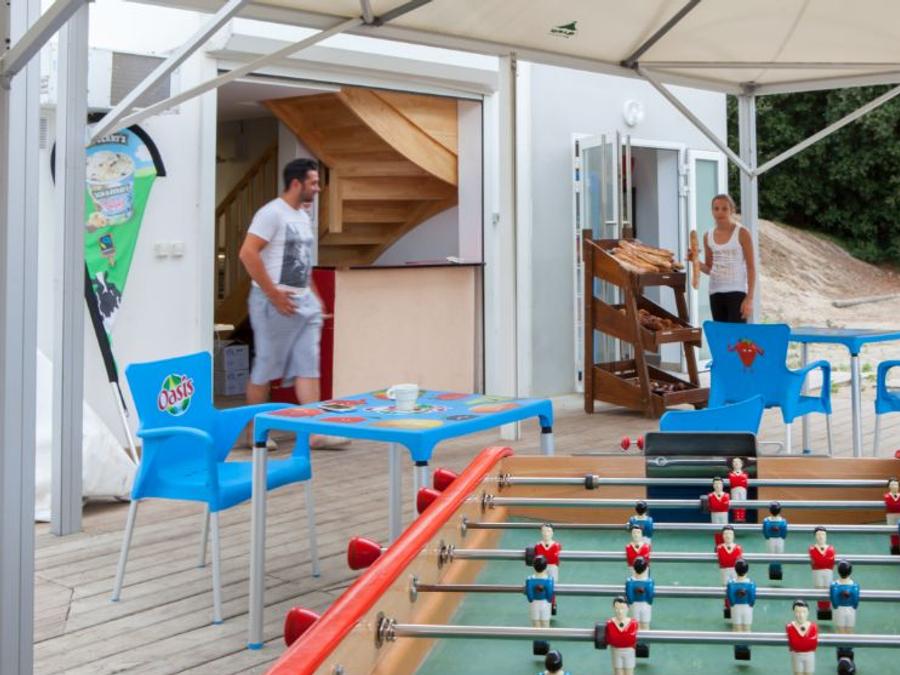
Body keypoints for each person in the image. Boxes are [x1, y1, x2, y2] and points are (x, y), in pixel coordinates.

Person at [239, 158, 347, 449]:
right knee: (265, 366)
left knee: (308, 366)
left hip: (302, 303)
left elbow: (303, 261)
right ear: (296, 183)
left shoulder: (302, 216)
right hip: (272, 303)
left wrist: (315, 296)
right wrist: (273, 294)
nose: (318, 188)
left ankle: (315, 432)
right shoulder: (271, 213)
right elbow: (248, 253)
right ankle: (254, 432)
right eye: (314, 182)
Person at [687, 193, 756, 322]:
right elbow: (709, 268)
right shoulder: (707, 236)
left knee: (737, 334)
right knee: (720, 334)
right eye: (716, 208)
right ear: (712, 211)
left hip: (737, 291)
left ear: (732, 210)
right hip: (715, 292)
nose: (720, 212)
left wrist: (749, 298)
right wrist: (694, 260)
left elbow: (751, 268)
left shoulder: (742, 233)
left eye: (724, 208)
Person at [604, 596, 638, 675]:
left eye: (623, 608)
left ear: (628, 608)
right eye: (617, 608)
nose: (620, 611)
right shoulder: (609, 623)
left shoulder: (633, 623)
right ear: (613, 608)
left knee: (629, 672)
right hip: (616, 652)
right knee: (618, 672)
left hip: (629, 652)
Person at [809, 526, 836, 620]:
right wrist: (822, 561)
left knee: (827, 588)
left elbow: (828, 561)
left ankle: (827, 607)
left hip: (828, 572)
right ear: (815, 536)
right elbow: (819, 560)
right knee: (819, 588)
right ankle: (821, 608)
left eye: (823, 534)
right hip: (817, 572)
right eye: (818, 535)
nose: (821, 537)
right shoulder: (812, 549)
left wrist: (821, 561)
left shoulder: (831, 549)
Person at [785, 600, 818, 675]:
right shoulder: (790, 627)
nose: (801, 615)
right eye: (798, 612)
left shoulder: (813, 627)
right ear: (794, 612)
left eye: (804, 612)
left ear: (808, 612)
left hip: (809, 655)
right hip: (797, 655)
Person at [535, 523, 561, 614]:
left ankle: (552, 603)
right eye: (544, 531)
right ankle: (542, 604)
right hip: (541, 569)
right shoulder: (538, 546)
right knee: (540, 585)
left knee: (552, 586)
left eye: (549, 531)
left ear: (552, 533)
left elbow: (558, 560)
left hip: (552, 567)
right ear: (541, 532)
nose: (546, 533)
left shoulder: (557, 545)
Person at [830, 560, 860, 635]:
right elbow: (855, 602)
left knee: (840, 630)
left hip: (839, 609)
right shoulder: (855, 586)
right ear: (850, 571)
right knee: (849, 629)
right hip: (850, 609)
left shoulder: (834, 586)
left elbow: (834, 603)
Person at [525, 555, 554, 629]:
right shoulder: (549, 580)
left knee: (536, 624)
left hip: (534, 604)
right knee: (545, 623)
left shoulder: (529, 580)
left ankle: (537, 636)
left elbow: (530, 597)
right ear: (546, 567)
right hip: (545, 603)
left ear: (533, 566)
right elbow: (550, 596)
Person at [624, 556, 654, 630]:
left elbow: (630, 598)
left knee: (636, 624)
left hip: (634, 605)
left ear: (633, 568)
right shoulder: (649, 582)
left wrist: (631, 601)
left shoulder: (630, 582)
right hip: (645, 604)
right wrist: (649, 601)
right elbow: (650, 596)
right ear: (646, 569)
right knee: (645, 624)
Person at [763, 501, 788, 580]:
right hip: (776, 539)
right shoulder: (782, 521)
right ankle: (773, 572)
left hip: (774, 539)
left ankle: (777, 572)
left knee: (777, 554)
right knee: (773, 554)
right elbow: (784, 533)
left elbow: (766, 533)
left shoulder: (767, 521)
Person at [728, 457, 749, 523]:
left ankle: (742, 517)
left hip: (743, 490)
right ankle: (736, 518)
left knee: (743, 503)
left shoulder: (745, 474)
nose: (736, 463)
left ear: (741, 464)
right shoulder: (730, 474)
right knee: (735, 503)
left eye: (738, 462)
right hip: (734, 490)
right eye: (734, 462)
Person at [885, 477, 900, 554]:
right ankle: (895, 550)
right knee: (893, 535)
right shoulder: (887, 496)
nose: (895, 486)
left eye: (896, 484)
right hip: (891, 516)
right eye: (892, 485)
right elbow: (892, 505)